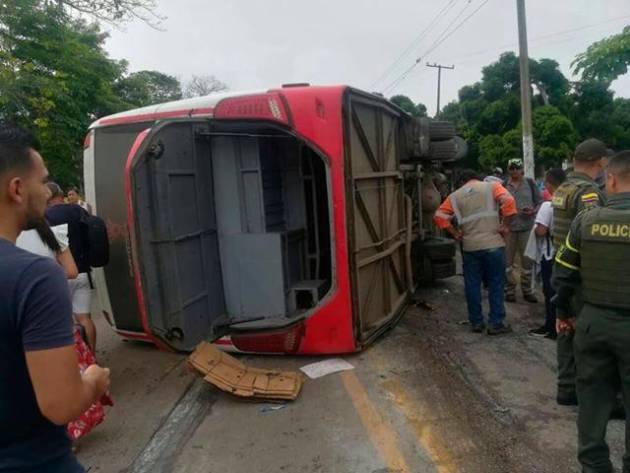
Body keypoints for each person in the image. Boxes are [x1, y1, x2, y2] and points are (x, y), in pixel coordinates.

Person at [0, 123, 110, 472]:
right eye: (42, 180)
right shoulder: (33, 276)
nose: (48, 192)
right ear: (17, 189)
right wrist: (93, 381)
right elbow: (61, 405)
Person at [552, 150, 630, 473]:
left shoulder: (587, 221)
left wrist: (563, 313)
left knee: (592, 401)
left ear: (610, 178)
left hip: (592, 323)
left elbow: (563, 273)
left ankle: (594, 465)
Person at [551, 138, 609, 407]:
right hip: (582, 272)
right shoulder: (588, 191)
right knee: (588, 332)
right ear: (600, 162)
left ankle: (566, 386)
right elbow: (592, 232)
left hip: (562, 266)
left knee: (565, 327)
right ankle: (590, 393)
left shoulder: (564, 186)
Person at [434, 169, 517, 335]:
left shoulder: (454, 196)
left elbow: (439, 216)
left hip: (470, 247)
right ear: (477, 178)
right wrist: (505, 225)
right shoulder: (492, 187)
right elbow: (509, 202)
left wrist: (456, 233)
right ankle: (496, 323)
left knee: (472, 285)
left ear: (462, 181)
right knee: (496, 284)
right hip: (493, 244)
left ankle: (476, 322)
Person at [46, 182, 97, 351]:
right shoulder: (78, 210)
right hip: (83, 271)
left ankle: (78, 362)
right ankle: (92, 359)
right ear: (62, 195)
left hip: (61, 274)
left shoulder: (44, 217)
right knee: (85, 318)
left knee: (66, 323)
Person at [527, 168, 566, 340]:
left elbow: (541, 231)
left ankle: (551, 328)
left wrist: (535, 230)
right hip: (567, 254)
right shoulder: (569, 203)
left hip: (549, 254)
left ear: (549, 184)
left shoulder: (548, 205)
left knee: (550, 292)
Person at [503, 158, 543, 303]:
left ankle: (527, 290)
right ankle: (510, 290)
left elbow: (540, 202)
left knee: (527, 262)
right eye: (512, 168)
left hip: (526, 228)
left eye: (517, 168)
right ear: (508, 170)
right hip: (509, 229)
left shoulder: (530, 184)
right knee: (507, 262)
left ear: (522, 170)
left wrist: (533, 211)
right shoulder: (503, 185)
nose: (514, 171)